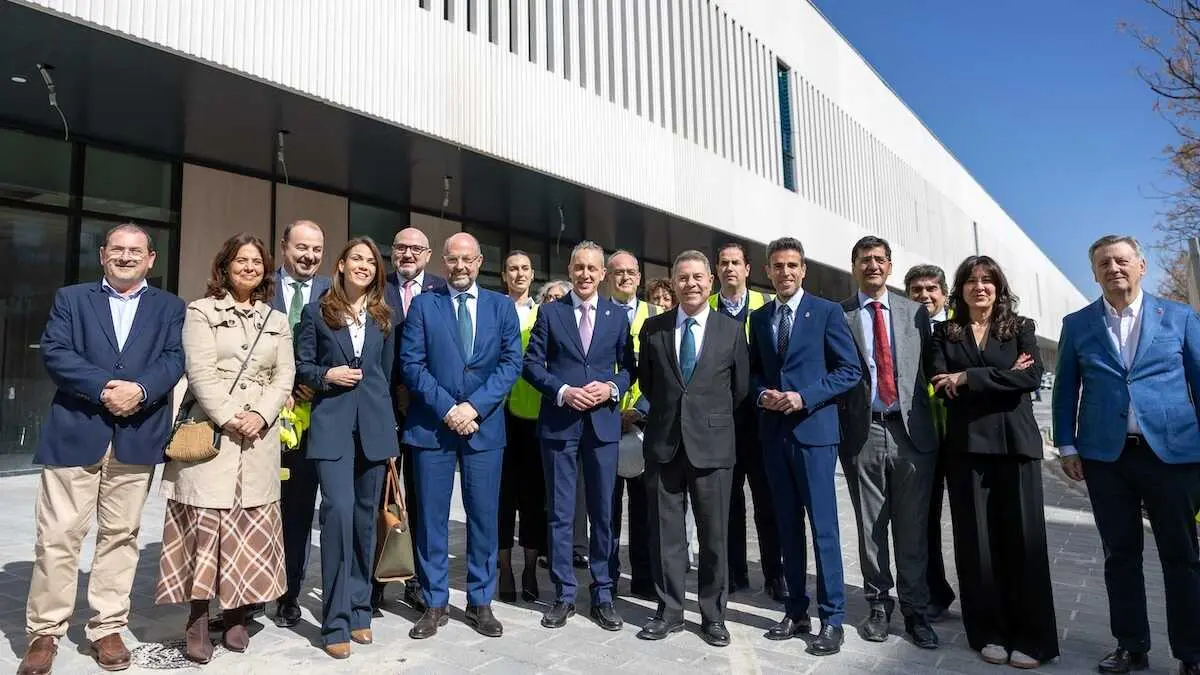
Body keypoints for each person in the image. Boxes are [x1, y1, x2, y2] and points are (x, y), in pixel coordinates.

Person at [17, 224, 185, 675]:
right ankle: (44, 633)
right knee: (57, 538)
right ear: (103, 255)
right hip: (77, 430)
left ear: (152, 259)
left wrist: (142, 390)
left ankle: (106, 627)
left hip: (137, 434)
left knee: (121, 536)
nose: (126, 256)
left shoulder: (170, 307)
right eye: (118, 249)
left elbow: (174, 358)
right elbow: (55, 352)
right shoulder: (72, 299)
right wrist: (105, 388)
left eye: (136, 251)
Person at [1053, 235, 1200, 675]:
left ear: (1141, 266)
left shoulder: (1180, 317)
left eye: (1122, 260)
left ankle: (1192, 652)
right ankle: (1130, 645)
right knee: (1120, 554)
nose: (1114, 268)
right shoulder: (1077, 324)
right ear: (1094, 273)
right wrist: (1066, 445)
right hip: (1106, 459)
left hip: (1172, 456)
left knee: (1183, 556)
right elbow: (1065, 390)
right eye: (1103, 263)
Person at [156, 233, 295, 663]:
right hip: (212, 431)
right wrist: (232, 415)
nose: (250, 267)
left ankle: (236, 612)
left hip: (259, 438)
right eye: (241, 260)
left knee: (247, 526)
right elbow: (199, 372)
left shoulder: (276, 318)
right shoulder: (200, 311)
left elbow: (284, 376)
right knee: (205, 523)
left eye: (257, 261)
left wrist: (261, 415)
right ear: (225, 265)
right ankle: (198, 617)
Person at [926, 255, 1058, 669]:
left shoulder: (1020, 328)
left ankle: (1033, 638)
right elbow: (939, 382)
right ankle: (989, 632)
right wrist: (999, 376)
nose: (979, 287)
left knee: (1024, 543)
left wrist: (968, 377)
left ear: (999, 288)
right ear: (959, 288)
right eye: (970, 280)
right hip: (966, 450)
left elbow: (1031, 378)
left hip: (1015, 446)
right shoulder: (944, 333)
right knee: (976, 544)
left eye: (988, 281)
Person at [400, 233, 522, 638]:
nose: (460, 267)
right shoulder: (424, 305)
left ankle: (480, 601)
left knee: (484, 517)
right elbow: (412, 364)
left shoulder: (501, 306)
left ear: (480, 261)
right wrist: (449, 409)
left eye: (467, 259)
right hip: (433, 427)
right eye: (452, 259)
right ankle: (434, 603)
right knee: (432, 519)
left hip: (483, 428)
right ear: (443, 262)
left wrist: (474, 407)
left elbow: (510, 363)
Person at [749, 237, 860, 657]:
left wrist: (805, 396)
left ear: (804, 269)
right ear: (768, 271)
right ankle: (796, 611)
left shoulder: (827, 312)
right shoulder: (760, 319)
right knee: (786, 527)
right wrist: (762, 396)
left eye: (793, 265)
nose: (786, 272)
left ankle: (832, 619)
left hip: (814, 434)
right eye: (778, 266)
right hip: (774, 435)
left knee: (824, 529)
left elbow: (849, 370)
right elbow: (756, 373)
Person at [635, 250, 748, 647]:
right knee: (667, 534)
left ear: (711, 281)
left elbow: (740, 389)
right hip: (665, 444)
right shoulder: (653, 328)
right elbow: (649, 384)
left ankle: (713, 615)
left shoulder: (731, 330)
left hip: (713, 445)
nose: (691, 284)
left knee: (715, 534)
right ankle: (668, 611)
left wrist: (705, 417)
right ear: (674, 282)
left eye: (698, 277)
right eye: (683, 278)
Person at [295, 238, 400, 659]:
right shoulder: (317, 312)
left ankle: (360, 609)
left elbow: (385, 377)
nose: (364, 266)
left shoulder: (383, 316)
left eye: (371, 262)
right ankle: (334, 620)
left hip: (374, 431)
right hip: (333, 428)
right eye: (356, 259)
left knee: (362, 521)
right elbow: (300, 366)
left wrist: (389, 436)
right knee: (337, 515)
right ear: (339, 265)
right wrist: (327, 375)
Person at [524, 240, 637, 631]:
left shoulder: (616, 316)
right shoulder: (550, 313)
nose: (585, 275)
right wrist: (562, 391)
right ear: (570, 270)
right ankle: (564, 594)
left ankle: (603, 593)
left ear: (603, 274)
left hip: (603, 426)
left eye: (593, 268)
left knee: (604, 514)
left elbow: (629, 369)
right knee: (558, 513)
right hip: (560, 424)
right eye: (579, 268)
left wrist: (612, 389)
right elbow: (532, 366)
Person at [837, 237, 939, 649]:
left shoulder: (916, 315)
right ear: (854, 266)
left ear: (890, 266)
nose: (873, 266)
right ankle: (878, 603)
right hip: (864, 432)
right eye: (865, 260)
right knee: (871, 525)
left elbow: (937, 364)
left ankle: (916, 610)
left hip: (912, 431)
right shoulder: (839, 315)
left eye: (880, 260)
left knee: (913, 527)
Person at [377, 226, 448, 613]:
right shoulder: (377, 285)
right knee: (379, 495)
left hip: (426, 411)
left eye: (415, 248)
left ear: (428, 253)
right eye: (400, 247)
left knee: (422, 499)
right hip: (382, 406)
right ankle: (375, 581)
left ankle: (419, 580)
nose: (407, 254)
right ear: (392, 252)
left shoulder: (440, 289)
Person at [709, 242, 783, 600]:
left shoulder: (766, 310)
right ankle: (735, 572)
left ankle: (774, 573)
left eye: (735, 262)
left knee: (767, 501)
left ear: (748, 269)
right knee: (729, 503)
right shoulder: (705, 309)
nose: (729, 269)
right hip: (721, 423)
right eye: (723, 263)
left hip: (761, 422)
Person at [270, 219, 331, 630]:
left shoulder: (333, 293)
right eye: (301, 247)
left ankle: (289, 594)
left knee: (296, 510)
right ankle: (249, 592)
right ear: (284, 247)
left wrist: (314, 380)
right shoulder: (260, 286)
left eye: (316, 249)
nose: (308, 256)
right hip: (259, 418)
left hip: (312, 419)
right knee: (255, 508)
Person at [903, 263, 956, 621]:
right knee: (924, 521)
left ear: (944, 294)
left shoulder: (962, 327)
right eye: (916, 291)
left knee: (972, 522)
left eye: (931, 289)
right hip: (923, 440)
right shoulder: (905, 329)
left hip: (963, 438)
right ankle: (935, 591)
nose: (924, 296)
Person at [606, 250, 657, 601]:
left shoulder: (657, 315)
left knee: (645, 510)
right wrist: (612, 413)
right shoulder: (599, 314)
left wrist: (638, 410)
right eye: (618, 272)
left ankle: (643, 578)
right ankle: (606, 580)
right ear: (608, 276)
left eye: (631, 272)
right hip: (604, 424)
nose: (625, 277)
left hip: (645, 424)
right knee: (606, 511)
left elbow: (668, 372)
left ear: (639, 277)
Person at [497, 250, 546, 603]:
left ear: (532, 274)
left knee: (534, 497)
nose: (519, 274)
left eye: (525, 268)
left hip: (535, 416)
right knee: (500, 497)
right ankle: (504, 568)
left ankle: (529, 566)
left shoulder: (545, 313)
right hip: (497, 415)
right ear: (503, 275)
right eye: (513, 268)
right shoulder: (493, 309)